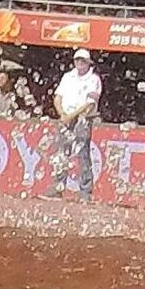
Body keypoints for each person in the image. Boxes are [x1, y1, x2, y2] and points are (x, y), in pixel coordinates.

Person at [53, 49, 101, 199]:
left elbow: (89, 104)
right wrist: (62, 114)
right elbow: (58, 97)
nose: (79, 63)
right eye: (77, 60)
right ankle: (58, 187)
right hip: (66, 117)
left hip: (83, 119)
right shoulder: (68, 76)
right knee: (61, 153)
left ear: (88, 62)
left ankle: (85, 192)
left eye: (83, 60)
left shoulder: (93, 79)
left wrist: (71, 116)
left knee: (83, 154)